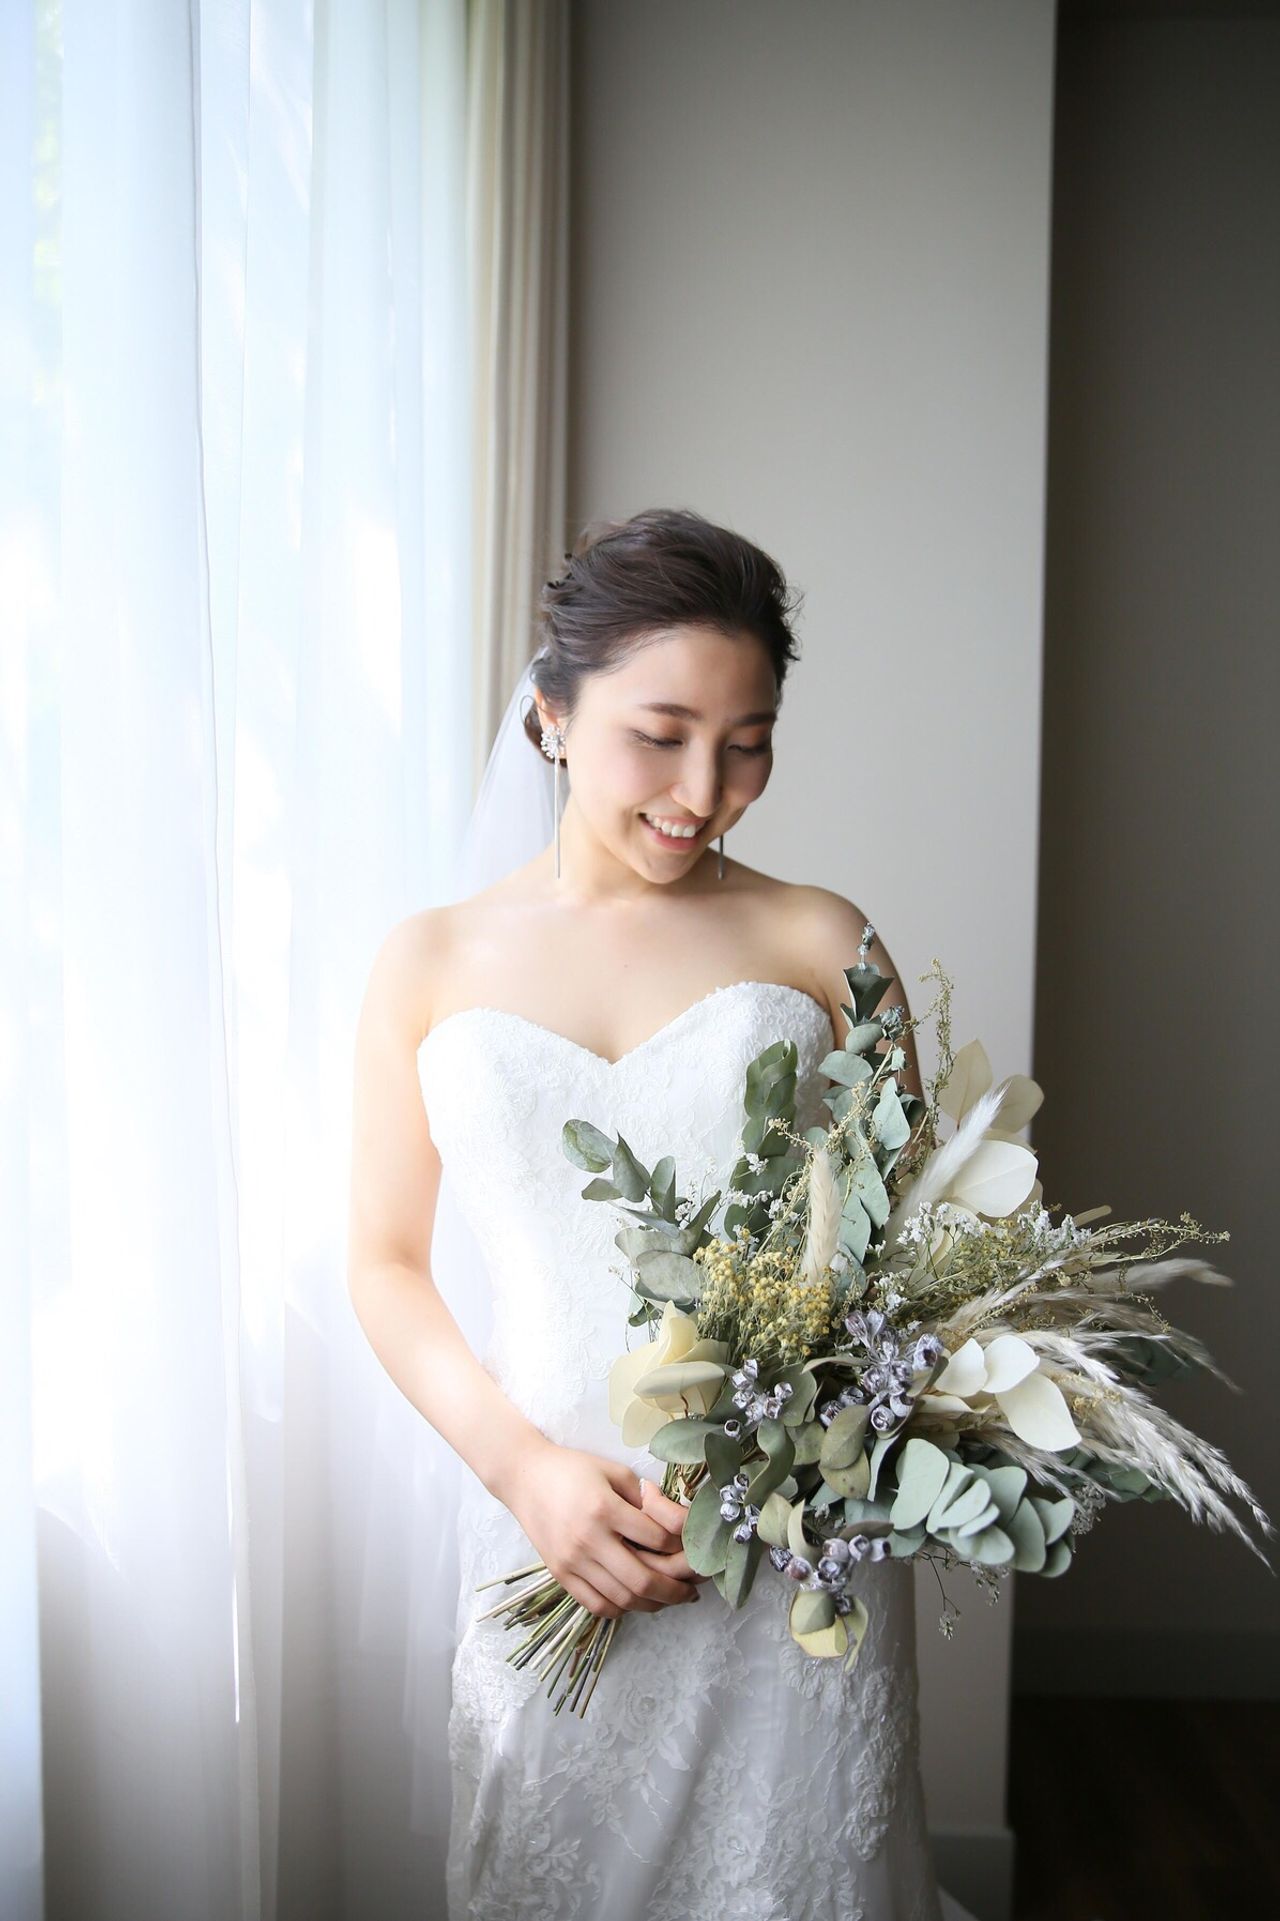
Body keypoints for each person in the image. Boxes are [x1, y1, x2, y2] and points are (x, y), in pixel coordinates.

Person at [347, 507, 945, 1920]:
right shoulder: (427, 961)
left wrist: (779, 1449)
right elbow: (382, 1261)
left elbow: (917, 1257)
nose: (704, 789)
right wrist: (524, 1473)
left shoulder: (823, 940)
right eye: (660, 735)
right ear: (553, 715)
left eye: (748, 742)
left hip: (790, 1533)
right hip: (552, 1520)